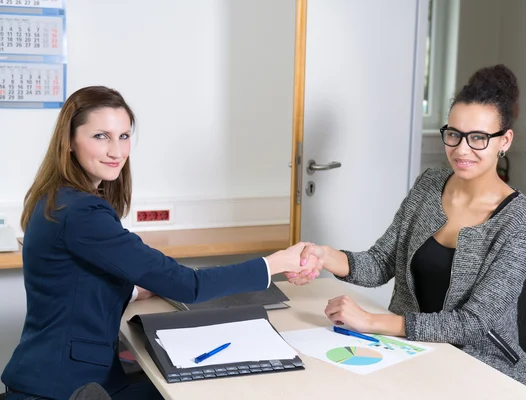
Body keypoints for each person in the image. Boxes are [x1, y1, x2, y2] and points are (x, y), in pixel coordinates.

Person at [1, 86, 317, 400]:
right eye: (101, 136)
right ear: (69, 140)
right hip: (64, 388)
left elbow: (74, 283)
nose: (117, 151)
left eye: (124, 136)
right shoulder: (82, 212)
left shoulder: (56, 198)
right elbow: (188, 286)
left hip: (54, 375)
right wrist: (277, 263)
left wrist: (137, 290)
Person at [287, 64, 526, 385]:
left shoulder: (519, 218)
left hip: (481, 363)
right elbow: (380, 262)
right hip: (410, 350)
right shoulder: (430, 184)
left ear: (504, 140)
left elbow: (473, 322)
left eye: (478, 138)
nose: (462, 149)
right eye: (454, 134)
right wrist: (324, 255)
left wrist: (371, 321)